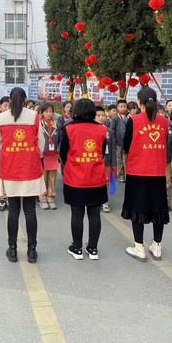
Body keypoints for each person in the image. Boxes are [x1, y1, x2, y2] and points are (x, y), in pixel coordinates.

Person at [0, 87, 45, 264]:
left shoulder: (0, 118)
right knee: (30, 211)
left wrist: (11, 155)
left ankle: (13, 250)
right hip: (30, 169)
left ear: (10, 99)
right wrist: (31, 154)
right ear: (25, 99)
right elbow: (41, 142)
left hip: (10, 170)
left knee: (13, 211)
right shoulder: (34, 117)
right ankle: (32, 251)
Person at [122, 87, 169, 262]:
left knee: (137, 208)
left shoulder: (133, 120)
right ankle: (157, 246)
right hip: (158, 172)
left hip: (138, 172)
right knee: (158, 210)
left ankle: (139, 247)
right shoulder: (164, 122)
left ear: (139, 102)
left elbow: (126, 144)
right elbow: (164, 143)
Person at [60, 99, 108, 260]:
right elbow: (101, 151)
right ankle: (93, 248)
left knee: (77, 213)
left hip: (75, 178)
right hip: (96, 177)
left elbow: (63, 153)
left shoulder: (68, 128)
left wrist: (72, 165)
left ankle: (77, 248)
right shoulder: (102, 129)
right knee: (95, 214)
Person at [96, 106, 116, 213]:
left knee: (106, 181)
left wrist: (114, 164)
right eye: (98, 115)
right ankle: (95, 201)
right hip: (94, 161)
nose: (101, 117)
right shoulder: (91, 130)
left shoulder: (110, 131)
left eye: (103, 115)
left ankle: (104, 202)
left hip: (107, 161)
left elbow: (113, 148)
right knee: (95, 181)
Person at [39, 103, 60, 210]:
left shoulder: (56, 124)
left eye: (51, 111)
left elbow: (61, 139)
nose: (49, 113)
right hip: (42, 155)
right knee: (43, 177)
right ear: (42, 112)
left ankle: (50, 197)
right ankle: (42, 198)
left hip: (53, 155)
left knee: (52, 177)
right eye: (46, 111)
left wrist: (59, 151)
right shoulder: (39, 124)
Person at [110, 99, 129, 182]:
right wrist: (114, 141)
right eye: (121, 106)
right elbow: (112, 130)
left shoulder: (128, 117)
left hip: (126, 143)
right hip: (118, 143)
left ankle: (126, 174)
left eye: (125, 106)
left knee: (126, 159)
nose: (123, 108)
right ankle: (120, 174)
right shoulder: (115, 118)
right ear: (117, 107)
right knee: (119, 159)